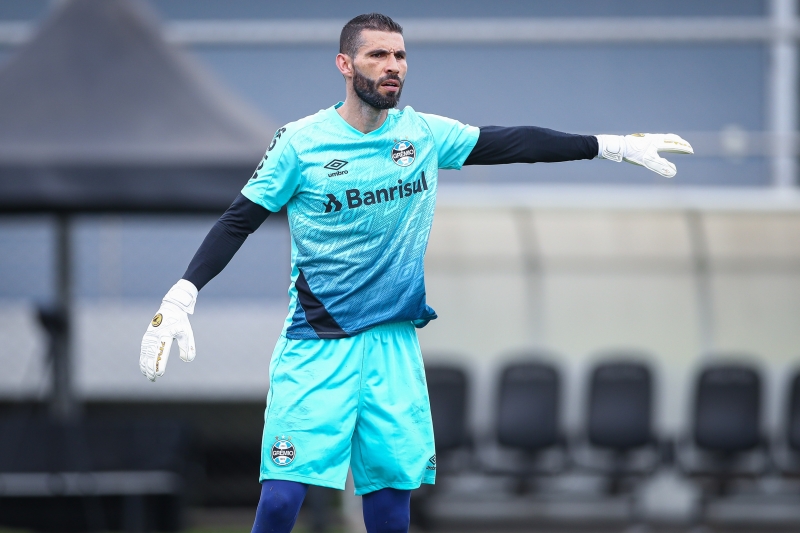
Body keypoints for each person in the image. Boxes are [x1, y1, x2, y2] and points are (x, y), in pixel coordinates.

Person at [139, 13, 692, 533]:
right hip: (317, 345)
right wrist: (183, 295)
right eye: (378, 55)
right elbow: (239, 220)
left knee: (390, 503)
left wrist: (611, 146)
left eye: (400, 56)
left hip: (394, 346)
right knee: (283, 497)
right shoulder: (301, 143)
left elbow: (513, 142)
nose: (393, 66)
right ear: (345, 64)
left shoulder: (422, 134)